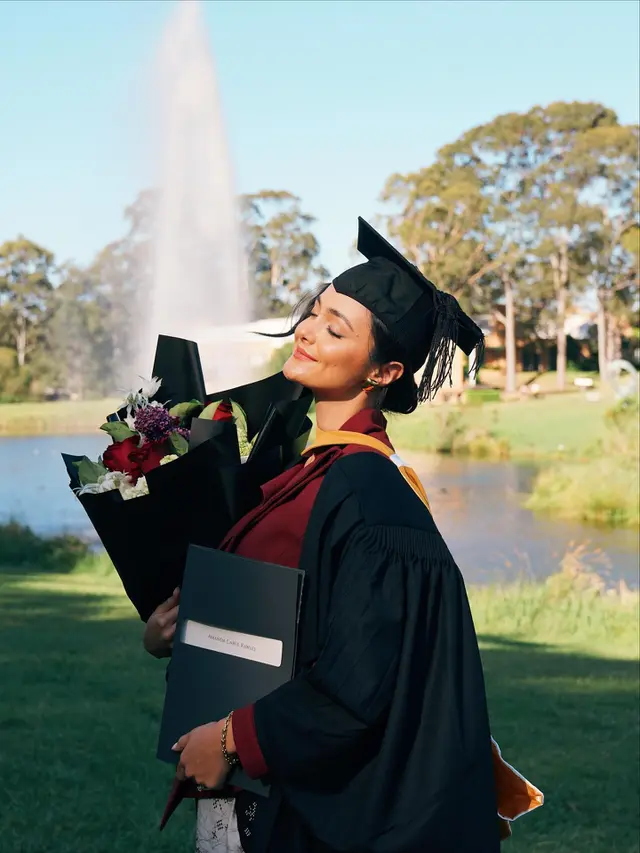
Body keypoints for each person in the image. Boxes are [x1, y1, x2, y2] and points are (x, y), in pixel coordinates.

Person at [143, 218, 542, 853]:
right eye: (315, 311)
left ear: (384, 372)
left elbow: (361, 679)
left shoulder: (371, 495)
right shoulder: (303, 469)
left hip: (296, 806)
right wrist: (178, 636)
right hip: (249, 779)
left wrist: (232, 741)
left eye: (337, 328)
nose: (307, 331)